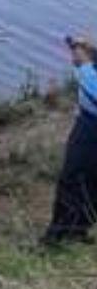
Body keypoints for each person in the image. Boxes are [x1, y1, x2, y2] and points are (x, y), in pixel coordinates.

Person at [42, 36, 97, 246]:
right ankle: (79, 230)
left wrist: (83, 65)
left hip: (91, 130)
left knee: (74, 180)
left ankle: (59, 238)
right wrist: (90, 48)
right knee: (91, 183)